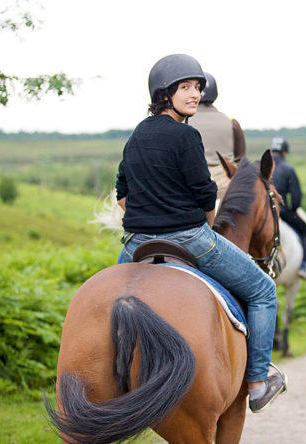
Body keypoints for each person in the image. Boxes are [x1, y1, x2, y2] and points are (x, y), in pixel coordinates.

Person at [115, 54, 286, 413]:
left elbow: (123, 195)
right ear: (164, 94)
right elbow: (206, 194)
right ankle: (256, 383)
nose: (194, 94)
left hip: (135, 245)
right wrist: (206, 224)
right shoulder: (186, 135)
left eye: (197, 88)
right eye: (186, 88)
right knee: (263, 289)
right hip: (188, 237)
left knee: (111, 300)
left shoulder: (136, 135)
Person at [187, 72, 246, 204]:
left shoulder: (184, 122)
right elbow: (241, 159)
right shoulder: (231, 122)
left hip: (192, 190)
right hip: (227, 191)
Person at [270, 137, 306, 282]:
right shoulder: (288, 169)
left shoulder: (259, 166)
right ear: (284, 152)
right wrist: (291, 209)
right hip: (281, 212)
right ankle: (304, 266)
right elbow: (296, 198)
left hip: (260, 212)